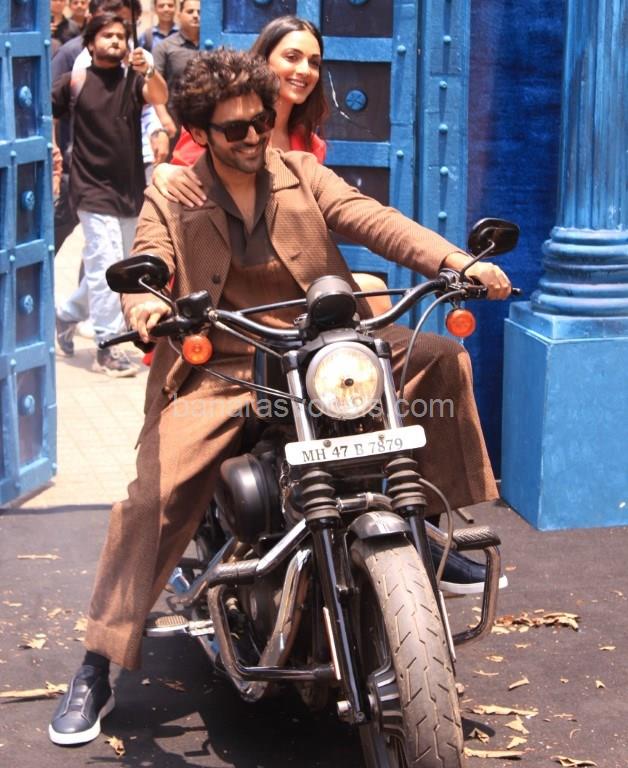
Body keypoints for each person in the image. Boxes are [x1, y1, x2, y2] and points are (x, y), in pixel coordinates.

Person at [48, 48, 511, 747]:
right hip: (228, 366)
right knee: (153, 497)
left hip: (322, 352)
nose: (251, 136)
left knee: (439, 358)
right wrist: (147, 306)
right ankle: (97, 661)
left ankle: (434, 530)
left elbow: (374, 219)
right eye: (234, 128)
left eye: (260, 122)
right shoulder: (176, 190)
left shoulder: (300, 172)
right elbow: (151, 258)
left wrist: (455, 261)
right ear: (200, 132)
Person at [153, 15, 388, 312]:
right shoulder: (216, 128)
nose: (304, 70)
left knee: (374, 292)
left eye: (314, 62)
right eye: (292, 57)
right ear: (263, 61)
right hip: (218, 283)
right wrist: (162, 171)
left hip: (281, 277)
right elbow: (176, 194)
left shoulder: (309, 145)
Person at [51, 13, 168, 377]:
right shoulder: (75, 81)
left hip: (128, 188)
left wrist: (149, 70)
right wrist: (53, 150)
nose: (115, 40)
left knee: (117, 266)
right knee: (105, 261)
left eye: (120, 35)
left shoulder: (134, 80)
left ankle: (65, 315)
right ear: (90, 43)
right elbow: (45, 113)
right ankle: (107, 344)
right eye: (107, 35)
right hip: (89, 187)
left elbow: (160, 96)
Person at [152, 0, 200, 139]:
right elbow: (154, 85)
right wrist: (164, 118)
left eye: (199, 12)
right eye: (190, 11)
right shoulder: (164, 47)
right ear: (179, 15)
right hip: (175, 119)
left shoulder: (213, 45)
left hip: (205, 118)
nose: (196, 15)